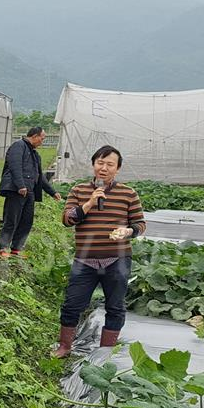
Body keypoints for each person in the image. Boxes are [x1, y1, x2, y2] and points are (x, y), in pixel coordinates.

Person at [55, 146, 146, 357]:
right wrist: (88, 204)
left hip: (118, 259)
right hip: (85, 260)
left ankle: (105, 352)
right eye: (100, 163)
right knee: (72, 304)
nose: (103, 168)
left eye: (109, 164)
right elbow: (67, 220)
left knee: (115, 306)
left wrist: (129, 231)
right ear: (94, 164)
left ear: (118, 168)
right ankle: (64, 346)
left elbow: (140, 224)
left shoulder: (128, 193)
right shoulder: (79, 191)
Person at [0, 126, 62, 259]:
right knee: (12, 219)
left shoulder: (35, 154)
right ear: (35, 136)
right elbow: (15, 166)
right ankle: (3, 248)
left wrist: (52, 192)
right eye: (42, 139)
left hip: (30, 191)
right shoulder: (18, 146)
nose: (42, 142)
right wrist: (20, 185)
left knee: (27, 221)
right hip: (17, 190)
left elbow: (40, 176)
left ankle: (16, 249)